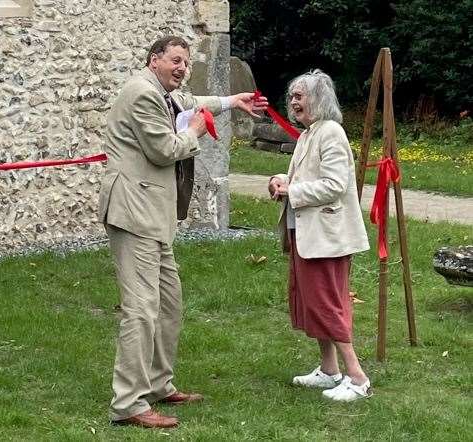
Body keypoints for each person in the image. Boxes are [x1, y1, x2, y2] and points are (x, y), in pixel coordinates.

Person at [98, 35, 267, 428]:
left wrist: (231, 102)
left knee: (169, 304)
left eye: (186, 63)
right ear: (154, 58)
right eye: (175, 60)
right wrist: (194, 132)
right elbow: (164, 149)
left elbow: (191, 104)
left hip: (153, 216)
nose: (182, 68)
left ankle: (159, 384)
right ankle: (128, 404)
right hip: (134, 213)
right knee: (140, 311)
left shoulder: (163, 92)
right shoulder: (142, 94)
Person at [268, 69, 372, 402]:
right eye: (292, 96)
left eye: (299, 96)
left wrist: (292, 189)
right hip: (308, 235)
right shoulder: (311, 133)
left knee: (328, 303)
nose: (293, 102)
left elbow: (335, 185)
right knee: (312, 302)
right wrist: (280, 180)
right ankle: (330, 370)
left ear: (319, 98)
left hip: (327, 236)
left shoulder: (331, 133)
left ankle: (357, 377)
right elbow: (301, 176)